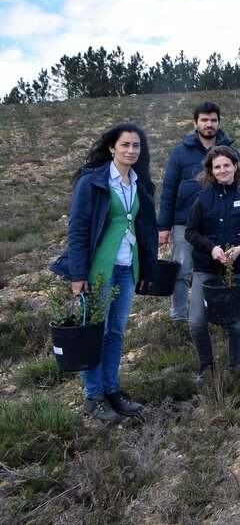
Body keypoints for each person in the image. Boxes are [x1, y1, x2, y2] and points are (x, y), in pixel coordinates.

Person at [50, 123, 158, 424]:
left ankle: (112, 390)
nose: (131, 151)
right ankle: (93, 396)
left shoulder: (139, 183)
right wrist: (77, 274)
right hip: (98, 270)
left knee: (114, 333)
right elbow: (79, 230)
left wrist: (147, 267)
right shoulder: (93, 183)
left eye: (136, 146)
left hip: (127, 268)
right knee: (94, 334)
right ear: (112, 147)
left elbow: (144, 229)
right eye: (125, 145)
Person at [185, 147, 240, 379]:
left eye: (226, 165)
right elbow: (191, 232)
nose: (222, 170)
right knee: (197, 322)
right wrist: (211, 248)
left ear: (235, 167)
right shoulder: (203, 198)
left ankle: (235, 368)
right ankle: (206, 366)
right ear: (211, 171)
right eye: (217, 166)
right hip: (206, 268)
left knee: (234, 322)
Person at [157, 102, 240, 324]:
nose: (209, 124)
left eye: (213, 120)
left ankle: (213, 314)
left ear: (219, 122)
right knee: (182, 271)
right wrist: (163, 226)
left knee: (214, 270)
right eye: (204, 120)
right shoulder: (180, 152)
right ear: (195, 123)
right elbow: (168, 189)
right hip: (184, 223)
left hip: (218, 224)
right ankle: (178, 318)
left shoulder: (231, 152)